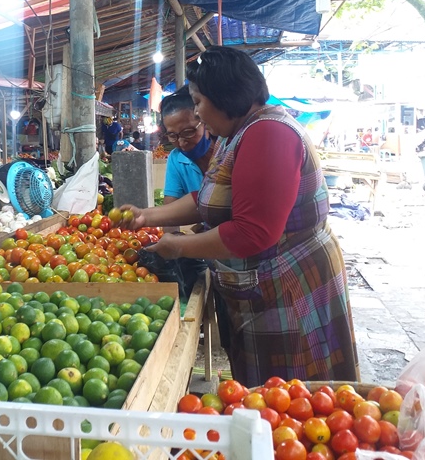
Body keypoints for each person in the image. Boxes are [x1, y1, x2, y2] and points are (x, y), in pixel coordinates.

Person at [121, 46, 359, 385]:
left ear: (225, 96)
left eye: (200, 101)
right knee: (267, 394)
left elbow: (252, 232)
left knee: (291, 397)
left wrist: (180, 247)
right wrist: (148, 216)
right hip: (264, 286)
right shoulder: (241, 133)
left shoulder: (268, 133)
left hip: (289, 289)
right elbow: (208, 198)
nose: (199, 114)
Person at [160, 91, 213, 205]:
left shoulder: (227, 152)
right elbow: (170, 211)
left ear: (205, 123)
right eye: (172, 136)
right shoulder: (176, 159)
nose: (181, 142)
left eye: (188, 132)